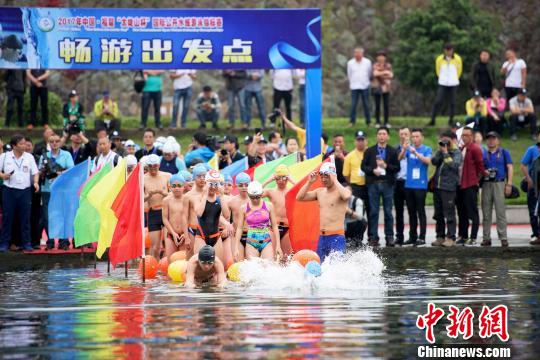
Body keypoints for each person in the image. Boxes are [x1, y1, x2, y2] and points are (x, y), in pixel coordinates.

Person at [296, 162, 351, 260]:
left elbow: (347, 196)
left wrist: (335, 179)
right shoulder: (319, 192)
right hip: (322, 238)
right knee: (320, 268)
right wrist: (309, 182)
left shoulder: (341, 192)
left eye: (327, 176)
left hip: (336, 237)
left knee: (335, 269)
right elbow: (299, 197)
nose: (323, 179)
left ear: (333, 176)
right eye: (322, 177)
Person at [361, 127, 400, 247]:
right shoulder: (370, 151)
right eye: (379, 134)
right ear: (377, 136)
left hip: (388, 184)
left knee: (388, 212)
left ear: (388, 136)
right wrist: (373, 170)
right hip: (373, 184)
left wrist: (386, 166)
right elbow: (363, 167)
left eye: (384, 134)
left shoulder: (393, 151)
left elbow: (397, 168)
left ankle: (389, 237)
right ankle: (373, 237)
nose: (382, 136)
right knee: (373, 212)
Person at [0, 135, 39, 252]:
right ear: (14, 146)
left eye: (25, 143)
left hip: (25, 191)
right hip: (9, 190)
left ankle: (26, 243)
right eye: (21, 144)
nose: (24, 146)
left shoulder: (29, 157)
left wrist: (36, 182)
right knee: (8, 217)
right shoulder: (4, 156)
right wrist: (3, 176)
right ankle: (4, 243)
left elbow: (35, 172)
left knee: (25, 217)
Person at [38, 133, 74, 250]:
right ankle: (51, 240)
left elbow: (71, 170)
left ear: (60, 142)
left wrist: (58, 173)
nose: (54, 143)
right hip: (47, 189)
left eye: (57, 141)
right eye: (52, 141)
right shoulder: (44, 156)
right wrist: (44, 172)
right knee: (47, 216)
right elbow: (39, 172)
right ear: (49, 143)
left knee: (63, 214)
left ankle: (64, 241)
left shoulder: (66, 155)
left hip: (62, 190)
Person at [234, 181, 282, 261]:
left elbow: (274, 226)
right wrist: (236, 247)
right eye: (252, 197)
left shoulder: (269, 206)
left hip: (266, 242)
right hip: (251, 243)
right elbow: (239, 228)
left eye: (258, 197)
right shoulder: (243, 208)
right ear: (248, 195)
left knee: (268, 267)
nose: (255, 199)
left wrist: (278, 245)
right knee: (253, 270)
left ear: (262, 194)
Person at [193, 170, 234, 264]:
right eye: (211, 184)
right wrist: (205, 194)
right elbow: (199, 213)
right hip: (201, 237)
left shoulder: (221, 198)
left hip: (216, 237)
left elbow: (227, 216)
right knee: (200, 266)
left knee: (218, 266)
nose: (213, 187)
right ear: (206, 183)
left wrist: (222, 196)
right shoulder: (197, 197)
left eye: (216, 184)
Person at [481, 132, 513, 247]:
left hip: (499, 183)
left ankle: (503, 238)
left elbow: (510, 167)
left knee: (500, 212)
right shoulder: (484, 154)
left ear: (498, 140)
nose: (491, 141)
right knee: (486, 212)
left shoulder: (504, 152)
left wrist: (509, 184)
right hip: (486, 183)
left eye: (493, 139)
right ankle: (486, 238)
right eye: (489, 139)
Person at [401, 129, 432, 246]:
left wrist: (416, 153)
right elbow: (400, 158)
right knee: (411, 212)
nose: (415, 139)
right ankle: (412, 236)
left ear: (422, 137)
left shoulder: (427, 149)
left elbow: (428, 161)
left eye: (417, 136)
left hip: (421, 185)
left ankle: (422, 237)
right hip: (409, 185)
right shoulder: (408, 149)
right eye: (413, 137)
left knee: (420, 211)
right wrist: (404, 148)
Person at [431, 131, 462, 247]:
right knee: (438, 214)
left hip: (448, 188)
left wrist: (446, 153)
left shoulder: (456, 152)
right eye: (442, 140)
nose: (444, 143)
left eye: (446, 141)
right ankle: (440, 236)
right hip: (437, 187)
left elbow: (454, 165)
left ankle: (451, 237)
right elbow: (433, 162)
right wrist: (440, 151)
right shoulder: (440, 151)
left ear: (452, 140)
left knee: (449, 214)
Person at [456, 127, 485, 246]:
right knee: (461, 212)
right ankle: (463, 235)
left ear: (471, 136)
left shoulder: (475, 148)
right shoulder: (462, 148)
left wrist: (475, 181)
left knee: (472, 212)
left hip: (470, 185)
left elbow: (480, 167)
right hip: (460, 185)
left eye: (467, 135)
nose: (464, 137)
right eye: (463, 135)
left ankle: (473, 237)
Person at [261, 165, 296, 256]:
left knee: (286, 258)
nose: (281, 181)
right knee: (271, 256)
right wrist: (268, 180)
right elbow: (255, 193)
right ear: (274, 178)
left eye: (284, 178)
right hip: (273, 227)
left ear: (287, 178)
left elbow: (303, 191)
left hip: (287, 229)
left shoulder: (292, 191)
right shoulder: (270, 191)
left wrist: (292, 180)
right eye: (278, 178)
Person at [144, 154, 171, 258]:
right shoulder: (143, 178)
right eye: (150, 166)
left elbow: (176, 195)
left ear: (159, 165)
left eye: (155, 166)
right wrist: (148, 195)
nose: (153, 168)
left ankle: (166, 270)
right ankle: (155, 270)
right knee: (155, 247)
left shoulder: (167, 176)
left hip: (167, 212)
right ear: (147, 166)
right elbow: (140, 200)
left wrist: (164, 193)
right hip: (153, 213)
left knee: (168, 245)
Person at [343, 130, 369, 236]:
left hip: (369, 186)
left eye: (362, 140)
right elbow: (345, 174)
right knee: (358, 212)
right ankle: (357, 237)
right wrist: (353, 183)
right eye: (358, 140)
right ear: (355, 141)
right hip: (356, 187)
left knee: (371, 212)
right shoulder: (350, 156)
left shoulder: (370, 153)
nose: (360, 142)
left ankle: (372, 237)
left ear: (366, 141)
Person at [429, 44, 462, 126]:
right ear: (444, 50)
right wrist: (442, 78)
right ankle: (433, 119)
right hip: (443, 82)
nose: (448, 52)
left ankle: (451, 119)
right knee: (438, 101)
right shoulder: (439, 59)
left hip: (453, 82)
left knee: (453, 102)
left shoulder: (457, 59)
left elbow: (459, 70)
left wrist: (454, 78)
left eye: (450, 50)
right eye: (447, 50)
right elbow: (438, 70)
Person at [182, 164, 208, 260]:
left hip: (208, 231)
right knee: (190, 260)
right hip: (192, 230)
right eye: (199, 176)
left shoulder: (210, 193)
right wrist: (186, 237)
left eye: (204, 176)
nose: (202, 179)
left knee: (207, 260)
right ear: (194, 178)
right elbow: (184, 217)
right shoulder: (188, 196)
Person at [223, 172, 251, 261]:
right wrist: (227, 225)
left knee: (252, 264)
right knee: (239, 264)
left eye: (246, 185)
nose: (244, 187)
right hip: (236, 237)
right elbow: (222, 216)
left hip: (252, 236)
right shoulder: (231, 201)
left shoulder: (254, 200)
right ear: (236, 186)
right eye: (241, 185)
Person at [519, 130, 540, 244]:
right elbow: (523, 164)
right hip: (534, 185)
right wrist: (528, 178)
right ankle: (536, 234)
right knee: (533, 210)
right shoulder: (532, 150)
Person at [162, 173, 187, 260]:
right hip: (171, 234)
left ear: (184, 187)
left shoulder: (187, 200)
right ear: (170, 187)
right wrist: (173, 233)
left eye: (179, 185)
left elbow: (191, 218)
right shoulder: (166, 200)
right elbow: (165, 218)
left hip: (185, 235)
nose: (177, 188)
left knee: (183, 262)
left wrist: (185, 234)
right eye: (174, 186)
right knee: (170, 261)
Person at [347, 47, 372, 126]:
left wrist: (366, 82)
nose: (358, 55)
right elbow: (349, 74)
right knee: (353, 105)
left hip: (365, 85)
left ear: (362, 54)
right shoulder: (350, 63)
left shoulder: (367, 62)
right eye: (356, 53)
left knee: (366, 104)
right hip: (354, 86)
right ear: (354, 54)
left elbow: (369, 73)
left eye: (359, 53)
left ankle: (368, 122)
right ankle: (352, 121)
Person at [394, 127, 410, 245]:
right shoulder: (395, 149)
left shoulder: (414, 148)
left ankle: (413, 236)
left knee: (412, 210)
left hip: (410, 182)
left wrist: (408, 148)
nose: (403, 136)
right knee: (399, 211)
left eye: (406, 134)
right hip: (397, 182)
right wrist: (403, 150)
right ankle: (399, 236)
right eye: (402, 134)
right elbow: (395, 161)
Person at [371, 51, 393, 127]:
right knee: (377, 105)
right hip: (377, 88)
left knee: (386, 105)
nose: (381, 57)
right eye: (379, 56)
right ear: (377, 57)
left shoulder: (388, 65)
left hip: (386, 88)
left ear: (385, 57)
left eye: (382, 56)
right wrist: (385, 72)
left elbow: (390, 75)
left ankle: (386, 122)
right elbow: (375, 74)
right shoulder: (375, 65)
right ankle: (377, 122)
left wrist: (381, 73)